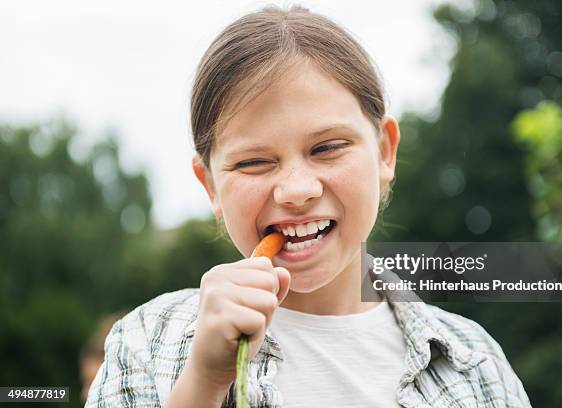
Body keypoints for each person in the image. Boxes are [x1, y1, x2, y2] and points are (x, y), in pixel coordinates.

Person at [85, 5, 531, 407]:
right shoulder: (145, 342)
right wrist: (203, 382)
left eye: (327, 148)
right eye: (254, 162)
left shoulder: (474, 365)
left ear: (385, 152)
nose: (296, 190)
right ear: (211, 187)